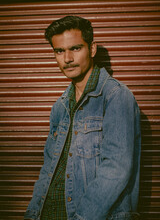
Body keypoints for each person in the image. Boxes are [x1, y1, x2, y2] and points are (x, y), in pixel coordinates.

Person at [24, 16, 141, 220]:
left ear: (92, 49)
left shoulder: (116, 96)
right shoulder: (60, 106)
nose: (67, 58)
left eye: (75, 48)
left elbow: (116, 169)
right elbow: (48, 169)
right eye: (59, 51)